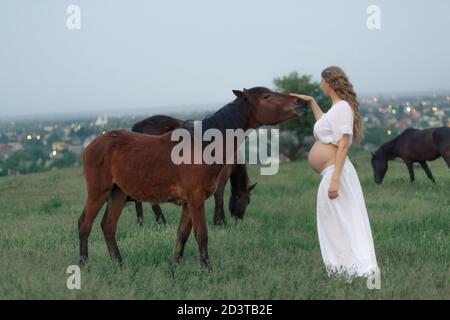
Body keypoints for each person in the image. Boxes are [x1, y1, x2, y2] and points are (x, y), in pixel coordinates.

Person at [290, 66, 379, 282]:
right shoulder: (336, 109)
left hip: (335, 173)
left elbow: (344, 145)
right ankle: (342, 269)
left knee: (341, 221)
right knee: (334, 222)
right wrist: (311, 102)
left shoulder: (343, 109)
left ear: (330, 83)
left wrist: (335, 180)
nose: (321, 86)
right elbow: (324, 125)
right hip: (330, 172)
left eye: (322, 82)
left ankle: (350, 269)